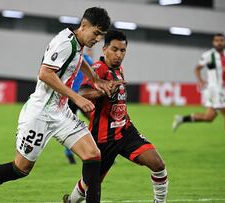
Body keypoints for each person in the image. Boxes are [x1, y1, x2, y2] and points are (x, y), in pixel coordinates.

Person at [0, 7, 120, 203]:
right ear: (84, 25)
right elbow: (45, 74)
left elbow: (78, 60)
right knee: (21, 169)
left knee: (93, 155)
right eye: (96, 33)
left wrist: (95, 79)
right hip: (40, 114)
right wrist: (77, 98)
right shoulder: (65, 43)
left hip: (61, 113)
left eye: (101, 35)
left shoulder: (76, 42)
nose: (97, 39)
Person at [63, 31, 168, 203]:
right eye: (114, 49)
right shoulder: (98, 69)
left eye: (123, 50)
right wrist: (101, 90)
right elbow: (82, 92)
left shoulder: (119, 68)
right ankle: (70, 201)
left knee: (158, 165)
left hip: (125, 131)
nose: (119, 55)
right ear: (104, 49)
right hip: (102, 138)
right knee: (90, 182)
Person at [172, 33, 225, 149]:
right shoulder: (209, 55)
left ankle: (182, 119)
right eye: (217, 40)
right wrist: (201, 80)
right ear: (213, 42)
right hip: (214, 89)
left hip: (221, 89)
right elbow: (197, 68)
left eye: (221, 40)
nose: (219, 42)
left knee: (209, 117)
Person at [65, 48, 94, 164]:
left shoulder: (69, 60)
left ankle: (69, 154)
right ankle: (69, 153)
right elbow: (95, 72)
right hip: (77, 96)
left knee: (71, 124)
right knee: (94, 121)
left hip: (73, 96)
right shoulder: (86, 59)